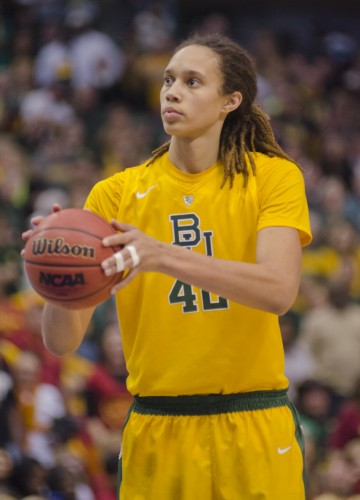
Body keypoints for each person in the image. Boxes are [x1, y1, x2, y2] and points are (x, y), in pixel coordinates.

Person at [22, 33, 312, 499]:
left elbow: (278, 290)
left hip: (255, 420)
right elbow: (61, 341)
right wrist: (56, 277)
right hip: (158, 425)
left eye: (193, 81)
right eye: (168, 80)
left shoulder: (273, 176)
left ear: (230, 101)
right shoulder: (114, 194)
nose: (172, 91)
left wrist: (161, 255)